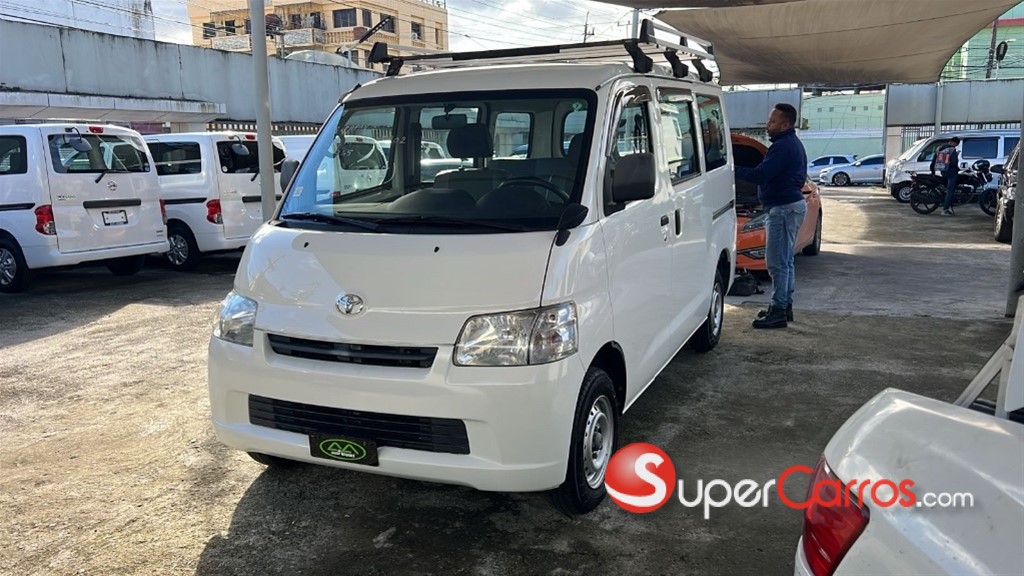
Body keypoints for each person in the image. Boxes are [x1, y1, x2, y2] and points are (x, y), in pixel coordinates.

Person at [736, 103, 808, 329]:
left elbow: (761, 175)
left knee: (776, 263)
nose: (768, 125)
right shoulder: (789, 143)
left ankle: (778, 311)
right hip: (789, 206)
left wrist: (730, 168)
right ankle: (783, 306)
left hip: (783, 208)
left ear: (785, 124)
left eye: (773, 121)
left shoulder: (783, 147)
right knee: (785, 261)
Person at [931, 137, 961, 216]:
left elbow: (934, 160)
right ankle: (945, 210)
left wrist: (932, 170)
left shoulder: (939, 148)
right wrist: (956, 156)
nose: (955, 146)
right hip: (951, 172)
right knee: (950, 190)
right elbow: (954, 162)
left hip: (943, 171)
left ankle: (947, 204)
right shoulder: (952, 150)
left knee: (948, 189)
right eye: (956, 144)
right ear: (954, 142)